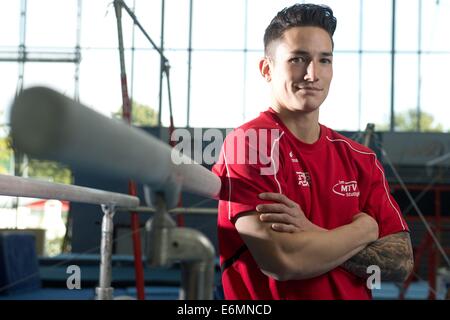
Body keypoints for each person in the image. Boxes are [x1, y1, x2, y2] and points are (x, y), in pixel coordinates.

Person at [212, 3, 413, 300]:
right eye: (298, 59)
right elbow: (284, 260)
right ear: (267, 69)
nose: (312, 74)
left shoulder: (360, 160)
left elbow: (400, 263)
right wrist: (364, 231)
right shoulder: (251, 144)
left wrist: (315, 236)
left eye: (324, 60)